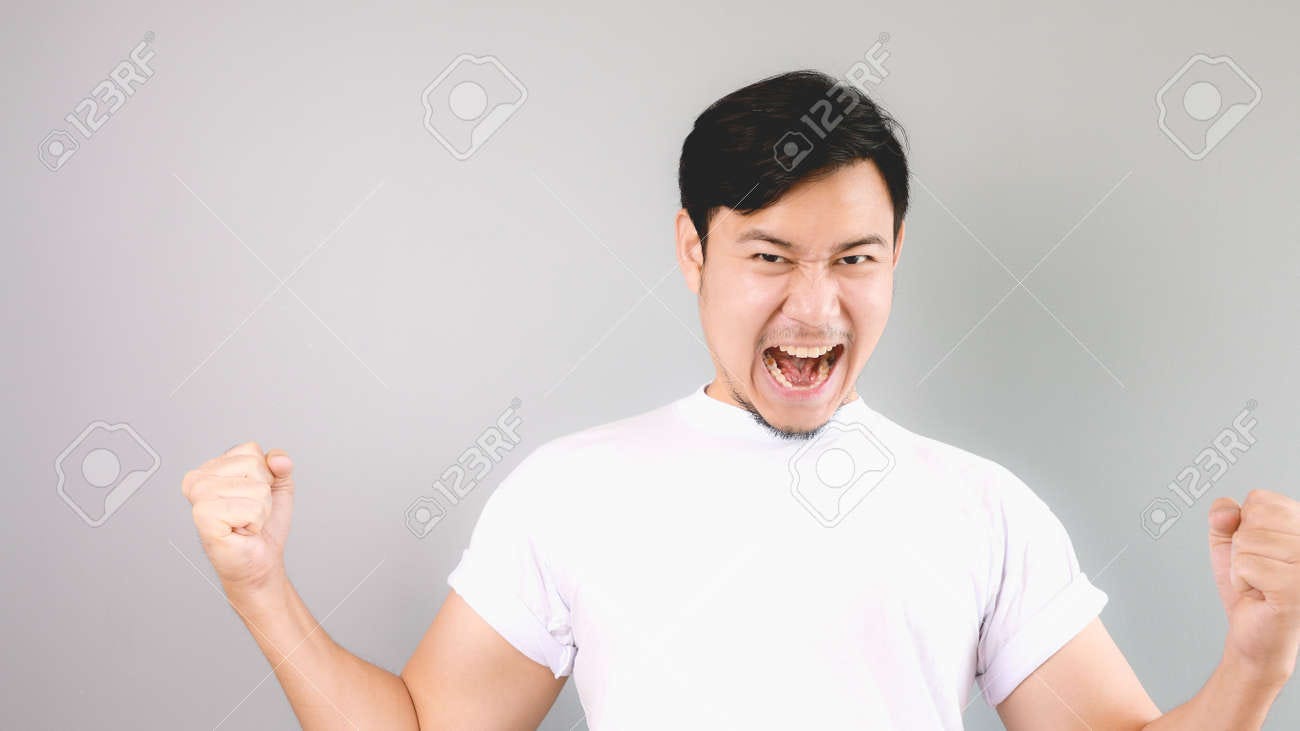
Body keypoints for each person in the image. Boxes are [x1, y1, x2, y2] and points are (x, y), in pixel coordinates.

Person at [182, 69, 1300, 729]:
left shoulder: (978, 507)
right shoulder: (573, 491)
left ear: (896, 253)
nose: (814, 310)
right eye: (770, 257)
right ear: (692, 249)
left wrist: (1253, 661)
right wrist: (260, 588)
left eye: (854, 259)